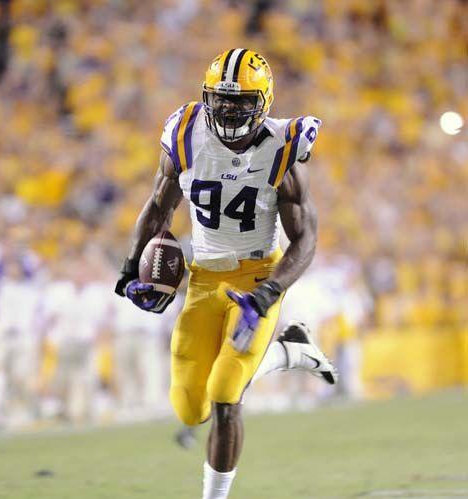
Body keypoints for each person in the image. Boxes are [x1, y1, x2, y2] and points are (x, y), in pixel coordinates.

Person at [114, 49, 337, 498]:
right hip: (203, 279)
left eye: (241, 102)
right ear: (206, 97)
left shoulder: (283, 149)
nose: (229, 109)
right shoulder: (184, 133)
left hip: (256, 279)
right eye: (222, 99)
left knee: (225, 391)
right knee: (189, 407)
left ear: (264, 103)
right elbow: (159, 205)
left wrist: (271, 291)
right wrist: (129, 267)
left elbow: (305, 239)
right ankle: (291, 353)